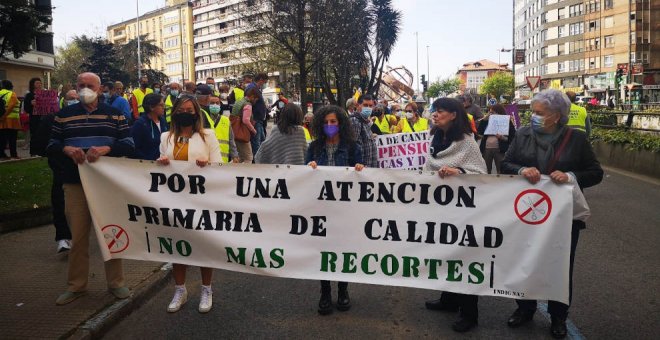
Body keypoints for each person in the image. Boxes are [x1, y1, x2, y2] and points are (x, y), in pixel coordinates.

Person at [502, 89, 603, 339]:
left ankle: (559, 316)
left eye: (539, 113)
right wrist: (522, 169)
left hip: (562, 217)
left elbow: (595, 171)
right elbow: (506, 164)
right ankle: (525, 308)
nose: (533, 117)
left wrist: (571, 177)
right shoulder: (523, 134)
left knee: (560, 265)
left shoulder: (576, 139)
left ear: (557, 116)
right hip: (526, 213)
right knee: (525, 261)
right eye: (532, 112)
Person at [47, 72, 134, 305]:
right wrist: (66, 150)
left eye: (90, 85)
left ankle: (117, 283)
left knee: (111, 234)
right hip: (75, 183)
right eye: (81, 85)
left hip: (107, 185)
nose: (85, 89)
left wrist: (107, 148)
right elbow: (52, 144)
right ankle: (76, 286)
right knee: (78, 236)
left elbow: (128, 143)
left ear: (100, 88)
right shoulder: (63, 115)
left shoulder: (115, 114)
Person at [421, 97, 487, 333]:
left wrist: (458, 171)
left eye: (440, 111)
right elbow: (427, 168)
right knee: (445, 254)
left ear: (454, 115)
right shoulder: (433, 138)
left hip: (462, 211)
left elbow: (480, 172)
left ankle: (469, 313)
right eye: (434, 111)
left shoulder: (467, 143)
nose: (435, 115)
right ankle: (448, 300)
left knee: (464, 257)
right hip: (438, 208)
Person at [156, 95, 222, 313]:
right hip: (174, 200)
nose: (186, 112)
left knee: (203, 244)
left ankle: (206, 288)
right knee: (178, 245)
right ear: (175, 112)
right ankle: (180, 289)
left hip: (201, 200)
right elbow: (159, 168)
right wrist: (162, 163)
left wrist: (208, 165)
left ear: (196, 113)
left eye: (190, 109)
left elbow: (220, 166)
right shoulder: (166, 137)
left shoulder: (207, 136)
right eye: (182, 109)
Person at [305, 105, 364, 315]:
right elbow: (303, 179)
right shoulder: (313, 148)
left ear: (340, 123)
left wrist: (360, 170)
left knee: (344, 249)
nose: (330, 125)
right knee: (324, 251)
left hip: (346, 210)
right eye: (326, 122)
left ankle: (343, 290)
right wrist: (309, 168)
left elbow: (365, 180)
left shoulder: (353, 148)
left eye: (333, 122)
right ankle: (325, 292)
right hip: (322, 209)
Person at [30, 90, 77, 254]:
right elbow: (41, 144)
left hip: (86, 170)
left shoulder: (87, 120)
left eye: (77, 99)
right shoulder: (51, 119)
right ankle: (63, 237)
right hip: (62, 168)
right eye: (71, 99)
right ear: (64, 101)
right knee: (59, 202)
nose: (75, 101)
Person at [477, 104, 516, 174]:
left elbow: (512, 137)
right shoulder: (487, 120)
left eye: (492, 112)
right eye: (489, 112)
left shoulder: (506, 121)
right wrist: (484, 121)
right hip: (486, 149)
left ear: (499, 112)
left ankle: (500, 184)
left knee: (501, 169)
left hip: (500, 149)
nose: (490, 114)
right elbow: (479, 132)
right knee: (485, 170)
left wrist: (502, 137)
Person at [131, 93, 168, 160]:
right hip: (147, 165)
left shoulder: (163, 121)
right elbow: (135, 148)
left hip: (163, 163)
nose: (164, 107)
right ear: (151, 107)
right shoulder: (140, 124)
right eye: (161, 105)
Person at [230, 87, 259, 163]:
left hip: (234, 131)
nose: (256, 101)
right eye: (256, 99)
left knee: (240, 157)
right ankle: (245, 173)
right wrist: (253, 130)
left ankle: (231, 171)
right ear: (252, 97)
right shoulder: (248, 105)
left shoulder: (239, 101)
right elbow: (246, 120)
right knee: (249, 157)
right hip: (242, 133)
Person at [349, 94, 378, 168]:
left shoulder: (365, 122)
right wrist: (358, 163)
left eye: (370, 106)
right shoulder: (355, 121)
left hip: (369, 169)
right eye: (365, 105)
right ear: (358, 105)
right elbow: (354, 145)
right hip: (362, 169)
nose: (368, 108)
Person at [209, 94, 240, 163]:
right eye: (212, 103)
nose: (215, 105)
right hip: (207, 161)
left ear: (220, 104)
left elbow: (231, 139)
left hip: (222, 161)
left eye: (217, 103)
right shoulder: (203, 119)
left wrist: (235, 156)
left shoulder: (226, 120)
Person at [245, 73, 268, 156]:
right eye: (264, 82)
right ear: (261, 80)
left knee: (262, 141)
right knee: (257, 143)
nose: (264, 84)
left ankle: (260, 159)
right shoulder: (252, 88)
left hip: (259, 119)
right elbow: (249, 102)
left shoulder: (255, 88)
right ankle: (257, 161)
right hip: (256, 120)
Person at [0, 80, 22, 160]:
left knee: (2, 138)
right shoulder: (12, 94)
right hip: (12, 120)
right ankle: (14, 154)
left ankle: (2, 155)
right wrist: (4, 116)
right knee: (12, 138)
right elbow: (11, 106)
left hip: (1, 121)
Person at [23, 77, 43, 156]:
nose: (39, 85)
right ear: (32, 84)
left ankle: (41, 152)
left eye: (40, 83)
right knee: (34, 135)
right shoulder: (29, 95)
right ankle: (33, 152)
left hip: (43, 118)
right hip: (34, 118)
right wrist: (31, 104)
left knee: (42, 135)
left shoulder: (44, 94)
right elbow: (26, 109)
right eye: (37, 83)